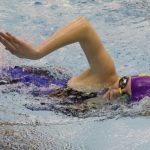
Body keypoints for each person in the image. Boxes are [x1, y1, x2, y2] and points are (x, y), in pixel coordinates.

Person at [0, 16, 150, 102]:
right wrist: (37, 53)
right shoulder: (105, 76)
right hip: (18, 79)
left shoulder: (106, 107)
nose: (116, 89)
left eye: (123, 93)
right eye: (123, 82)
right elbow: (84, 27)